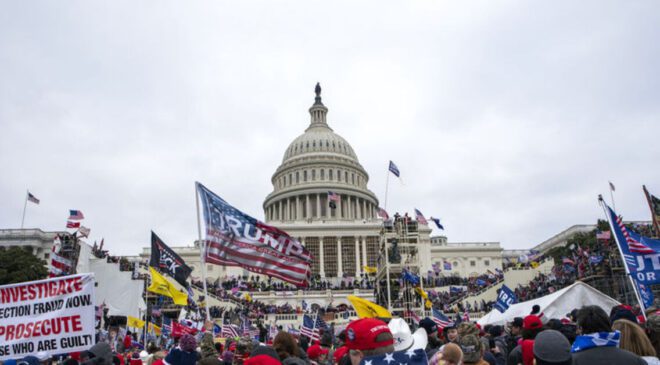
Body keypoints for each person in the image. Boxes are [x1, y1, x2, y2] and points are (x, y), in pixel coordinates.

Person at [571, 305, 647, 365]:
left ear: (581, 328)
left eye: (577, 328)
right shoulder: (635, 360)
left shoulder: (572, 361)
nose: (576, 332)